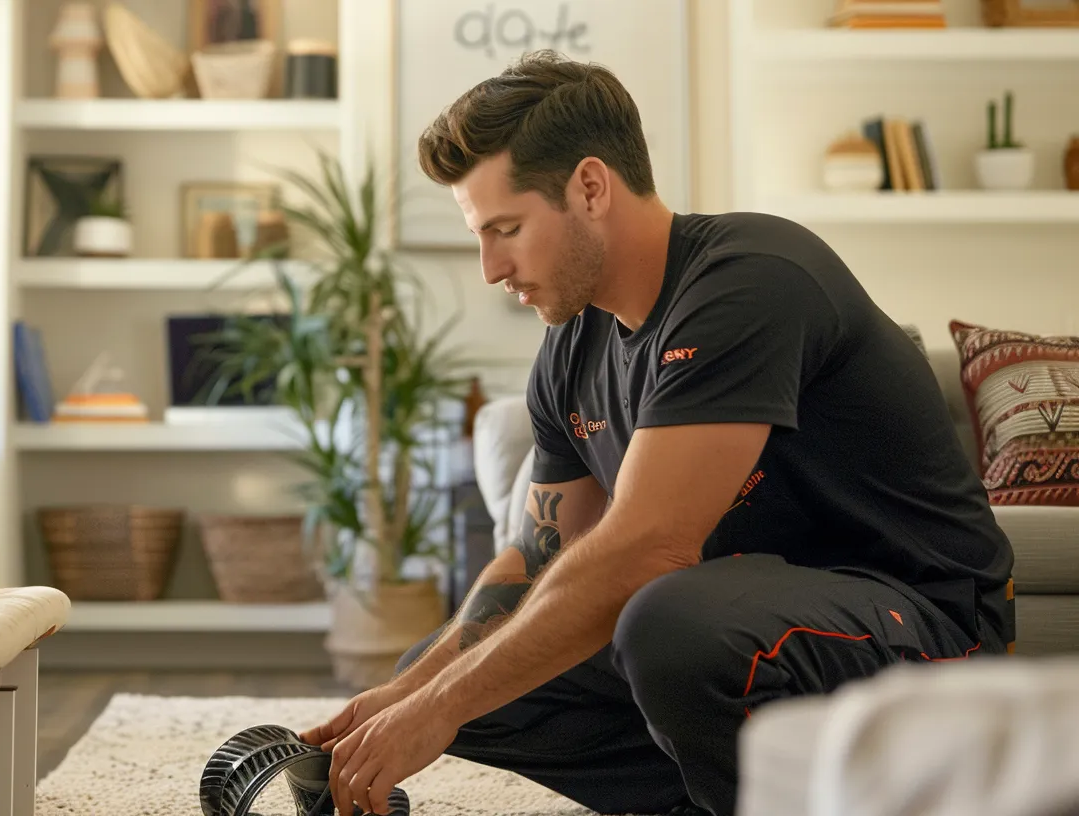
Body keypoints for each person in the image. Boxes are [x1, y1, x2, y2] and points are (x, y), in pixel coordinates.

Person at [297, 50, 1016, 816]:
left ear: (591, 187)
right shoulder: (572, 346)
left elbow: (648, 547)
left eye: (506, 228)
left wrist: (437, 709)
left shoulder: (751, 278)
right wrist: (406, 696)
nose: (489, 267)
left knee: (662, 623)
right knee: (469, 676)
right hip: (743, 626)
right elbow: (542, 553)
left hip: (926, 621)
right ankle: (739, 793)